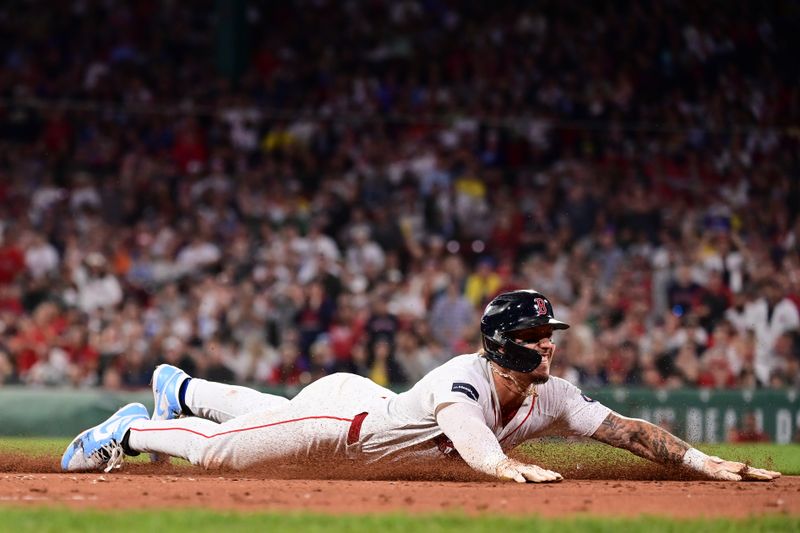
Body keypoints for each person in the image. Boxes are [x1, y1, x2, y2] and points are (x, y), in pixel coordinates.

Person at [61, 290, 780, 483]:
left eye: (549, 334)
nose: (549, 345)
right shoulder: (461, 381)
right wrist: (512, 469)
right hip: (336, 430)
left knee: (266, 414)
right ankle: (123, 428)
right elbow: (478, 449)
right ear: (504, 343)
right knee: (221, 453)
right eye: (537, 336)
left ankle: (179, 387)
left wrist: (704, 463)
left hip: (360, 402)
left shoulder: (552, 392)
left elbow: (628, 431)